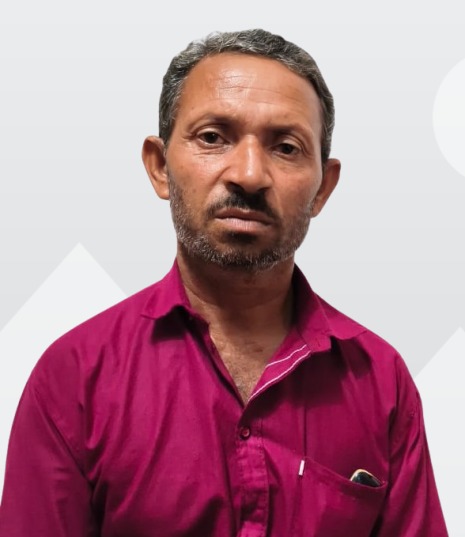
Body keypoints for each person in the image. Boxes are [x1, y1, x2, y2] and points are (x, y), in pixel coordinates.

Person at [0, 29, 448, 536]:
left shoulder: (379, 381)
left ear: (323, 188)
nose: (250, 175)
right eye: (213, 137)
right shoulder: (75, 377)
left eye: (286, 147)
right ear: (160, 167)